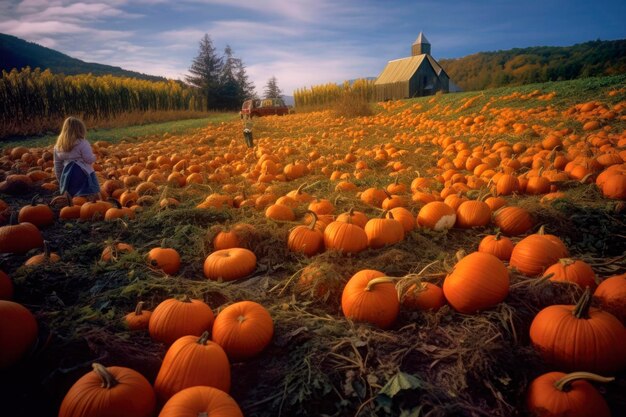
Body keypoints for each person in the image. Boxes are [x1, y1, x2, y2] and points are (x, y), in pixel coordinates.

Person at [53, 116, 101, 198]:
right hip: (82, 173)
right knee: (87, 193)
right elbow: (88, 159)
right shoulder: (83, 143)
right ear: (81, 130)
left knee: (73, 195)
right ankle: (85, 205)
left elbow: (57, 165)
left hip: (68, 174)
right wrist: (95, 157)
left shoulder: (58, 146)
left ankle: (74, 205)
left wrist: (61, 180)